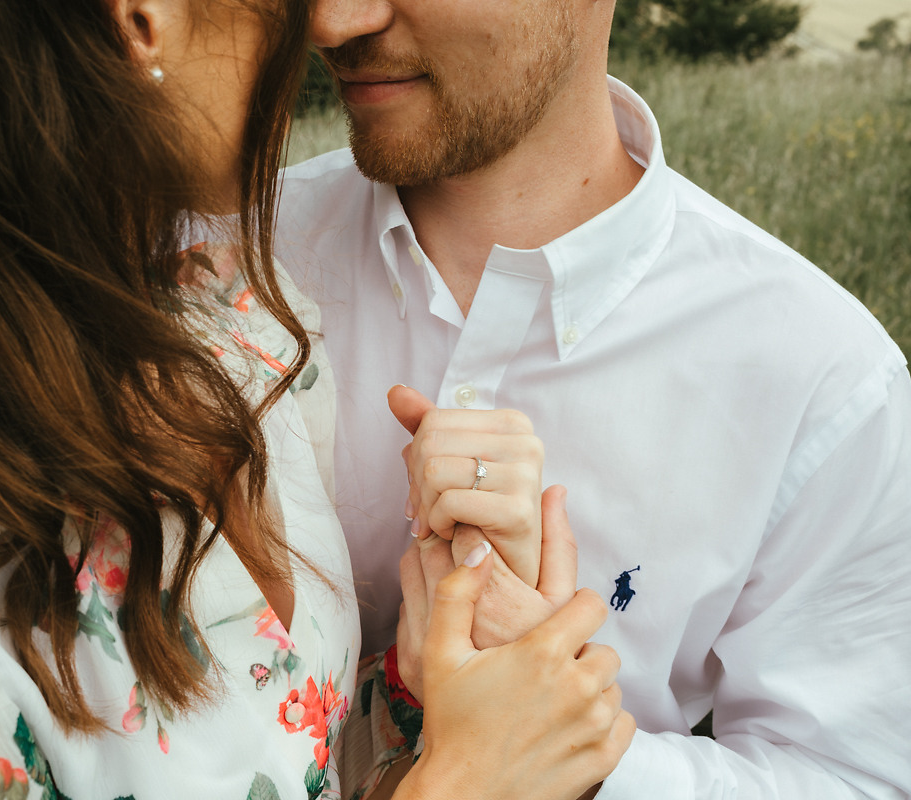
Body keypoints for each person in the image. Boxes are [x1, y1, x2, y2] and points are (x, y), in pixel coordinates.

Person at [0, 0, 633, 798]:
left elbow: (293, 765)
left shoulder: (232, 337)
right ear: (139, 19)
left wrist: (436, 693)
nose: (318, 21)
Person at [274, 0, 911, 797]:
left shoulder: (824, 384)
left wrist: (580, 754)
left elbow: (850, 777)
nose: (333, 23)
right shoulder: (211, 255)